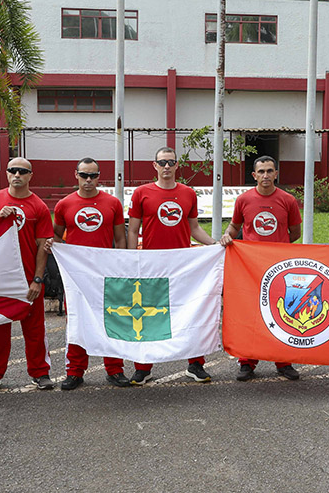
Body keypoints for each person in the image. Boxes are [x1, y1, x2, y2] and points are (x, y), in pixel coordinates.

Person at [126, 146, 219, 384]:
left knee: (191, 311)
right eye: (162, 162)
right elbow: (134, 229)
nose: (167, 166)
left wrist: (215, 244)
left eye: (171, 162)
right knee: (148, 315)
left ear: (177, 166)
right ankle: (143, 367)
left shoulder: (188, 193)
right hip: (151, 264)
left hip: (183, 264)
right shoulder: (141, 193)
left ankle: (195, 364)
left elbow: (194, 228)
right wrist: (129, 258)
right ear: (154, 166)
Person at [219, 155, 303, 381]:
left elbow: (295, 233)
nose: (266, 175)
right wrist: (227, 236)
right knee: (251, 314)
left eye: (270, 171)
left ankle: (283, 362)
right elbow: (234, 226)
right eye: (261, 171)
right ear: (254, 175)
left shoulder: (288, 200)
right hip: (250, 269)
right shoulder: (244, 200)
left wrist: (276, 250)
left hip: (280, 268)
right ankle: (247, 362)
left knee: (282, 312)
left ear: (276, 174)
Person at [50, 158, 132, 390]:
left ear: (99, 177)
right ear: (75, 174)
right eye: (84, 175)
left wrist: (122, 265)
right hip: (76, 275)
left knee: (112, 319)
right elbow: (56, 236)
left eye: (93, 176)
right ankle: (75, 372)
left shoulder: (112, 203)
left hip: (106, 273)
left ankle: (114, 370)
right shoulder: (64, 204)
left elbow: (120, 238)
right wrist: (56, 249)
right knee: (77, 321)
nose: (88, 180)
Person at [0, 157, 54, 392]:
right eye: (13, 171)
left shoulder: (38, 205)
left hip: (28, 277)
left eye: (22, 171)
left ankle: (40, 373)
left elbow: (43, 246)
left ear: (31, 176)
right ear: (7, 174)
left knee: (35, 329)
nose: (17, 175)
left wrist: (37, 279)